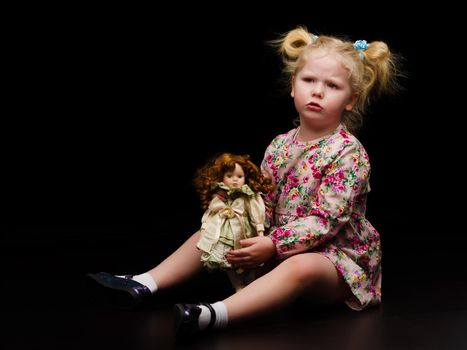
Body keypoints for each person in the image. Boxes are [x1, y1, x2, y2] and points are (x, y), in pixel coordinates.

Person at [85, 25, 400, 339]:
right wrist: (237, 208)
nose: (317, 91)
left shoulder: (348, 152)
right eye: (309, 80)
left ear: (350, 100)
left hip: (334, 260)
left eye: (332, 86)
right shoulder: (280, 146)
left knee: (301, 267)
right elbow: (265, 200)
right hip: (279, 245)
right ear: (293, 86)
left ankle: (214, 314)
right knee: (216, 228)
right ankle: (144, 283)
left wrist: (273, 244)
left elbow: (326, 221)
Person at [192, 152, 275, 292]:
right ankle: (237, 286)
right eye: (229, 176)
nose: (235, 180)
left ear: (245, 178)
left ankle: (250, 284)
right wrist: (205, 228)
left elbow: (256, 212)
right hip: (226, 233)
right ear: (222, 177)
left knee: (248, 260)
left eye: (239, 176)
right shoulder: (219, 196)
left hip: (245, 231)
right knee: (229, 261)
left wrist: (260, 231)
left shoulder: (249, 195)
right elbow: (210, 212)